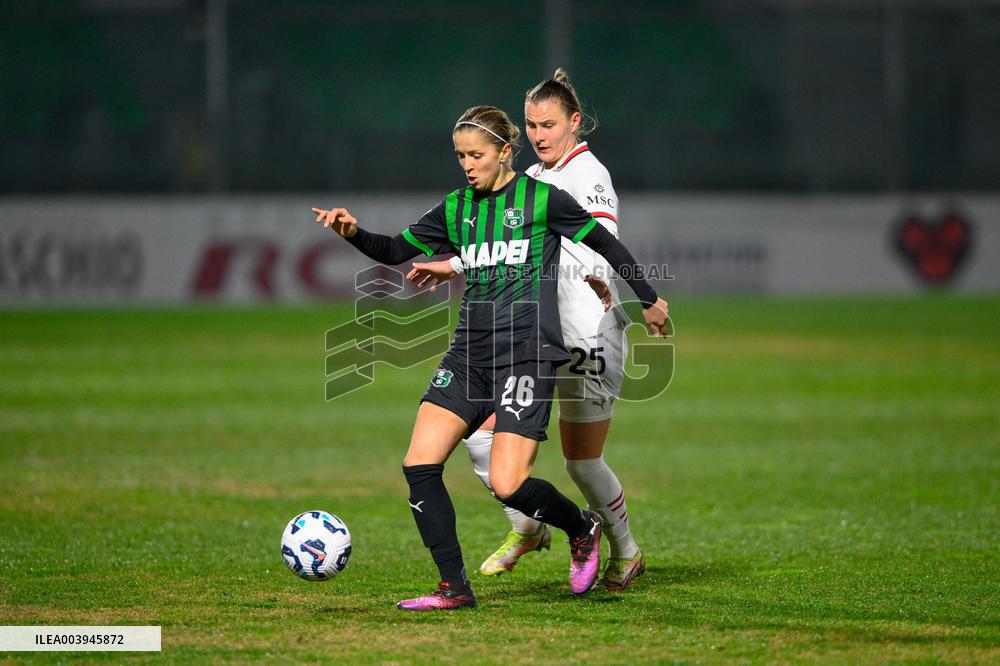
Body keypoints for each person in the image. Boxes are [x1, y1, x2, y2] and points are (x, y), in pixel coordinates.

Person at [312, 105, 668, 611]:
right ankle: (453, 588)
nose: (467, 164)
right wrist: (352, 233)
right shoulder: (456, 208)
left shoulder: (543, 200)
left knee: (508, 482)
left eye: (476, 154)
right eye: (460, 155)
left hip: (527, 355)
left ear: (504, 151)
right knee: (419, 464)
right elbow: (394, 250)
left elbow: (606, 243)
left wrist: (648, 298)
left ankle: (580, 525)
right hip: (468, 355)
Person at [406, 70, 651, 591]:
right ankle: (530, 525)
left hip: (588, 330)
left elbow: (600, 239)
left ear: (575, 122)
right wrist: (454, 265)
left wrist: (603, 278)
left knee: (581, 461)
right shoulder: (530, 182)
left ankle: (626, 552)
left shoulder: (589, 174)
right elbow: (509, 252)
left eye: (549, 124)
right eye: (531, 124)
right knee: (480, 436)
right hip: (531, 336)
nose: (539, 134)